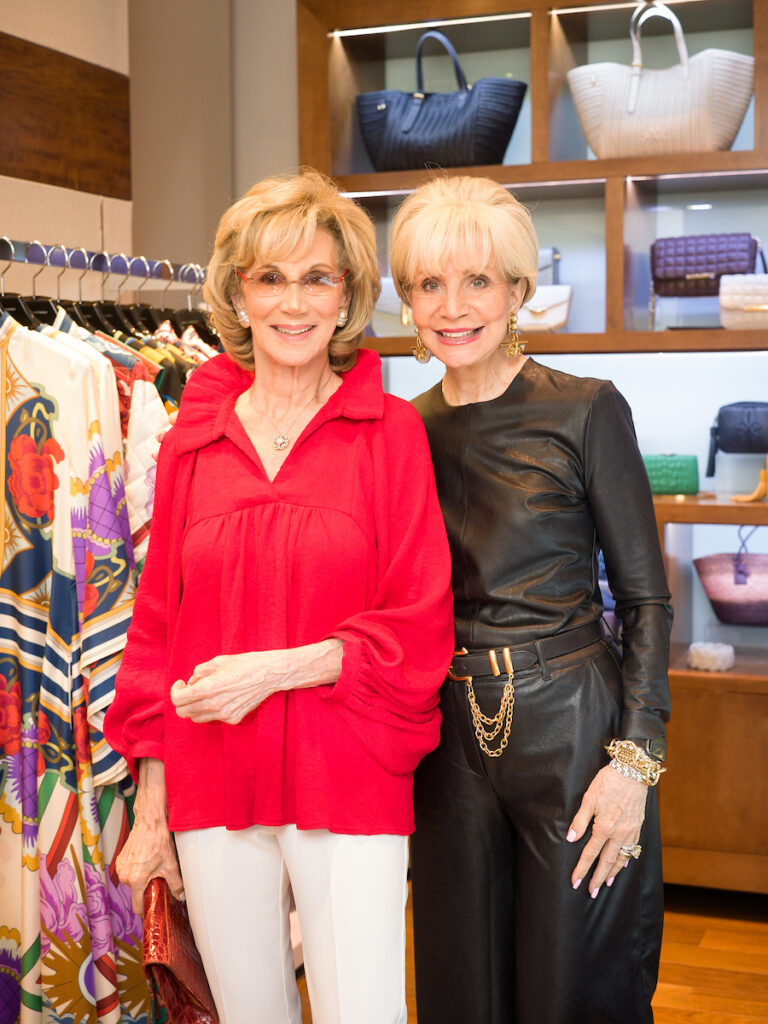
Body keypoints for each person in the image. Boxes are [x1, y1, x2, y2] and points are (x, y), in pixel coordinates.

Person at [104, 169, 454, 1024]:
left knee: (359, 1009)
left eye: (316, 279)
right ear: (238, 294)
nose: (292, 303)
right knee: (249, 1011)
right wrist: (152, 804)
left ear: (346, 299)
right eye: (270, 278)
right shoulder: (195, 436)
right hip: (212, 777)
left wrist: (281, 669)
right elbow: (157, 629)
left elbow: (421, 625)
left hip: (351, 774)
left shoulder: (391, 432)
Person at [389, 175, 672, 1024]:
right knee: (458, 981)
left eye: (478, 280)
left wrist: (635, 761)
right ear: (407, 300)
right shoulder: (408, 430)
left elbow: (647, 600)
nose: (453, 305)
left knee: (573, 982)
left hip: (572, 728)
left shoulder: (586, 411)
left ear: (519, 290)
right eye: (430, 283)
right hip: (447, 738)